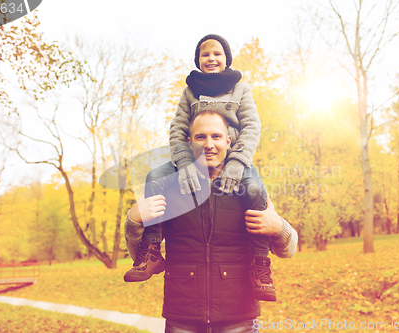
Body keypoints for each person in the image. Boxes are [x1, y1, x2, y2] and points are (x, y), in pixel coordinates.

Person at [124, 34, 274, 301]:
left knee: (255, 188)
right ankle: (152, 250)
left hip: (233, 159)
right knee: (155, 176)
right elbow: (178, 130)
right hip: (192, 161)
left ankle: (260, 264)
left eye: (217, 53)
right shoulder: (190, 91)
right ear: (198, 60)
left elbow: (252, 127)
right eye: (205, 54)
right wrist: (184, 166)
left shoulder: (241, 89)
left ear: (227, 59)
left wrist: (238, 162)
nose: (211, 58)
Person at [124, 111, 298, 332]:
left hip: (239, 318)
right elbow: (140, 256)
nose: (209, 145)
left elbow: (288, 250)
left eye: (216, 136)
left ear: (228, 141)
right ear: (189, 142)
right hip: (182, 317)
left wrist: (279, 227)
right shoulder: (169, 186)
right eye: (200, 137)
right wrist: (134, 220)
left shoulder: (249, 187)